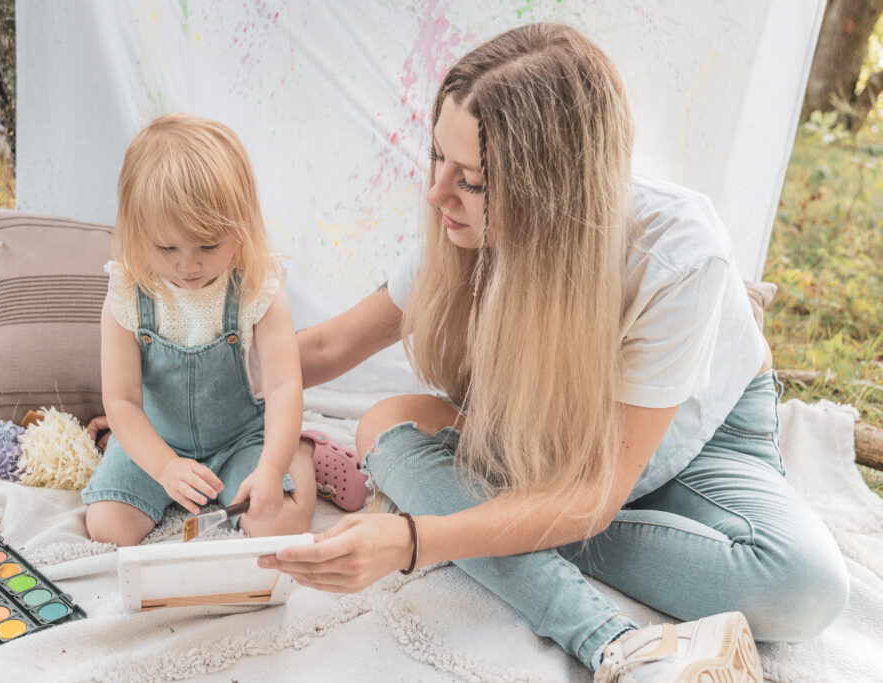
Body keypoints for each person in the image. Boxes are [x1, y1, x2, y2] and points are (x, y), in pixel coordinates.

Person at [256, 23, 850, 681]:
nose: (437, 193)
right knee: (384, 423)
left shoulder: (679, 254)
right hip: (557, 448)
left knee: (804, 586)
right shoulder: (461, 230)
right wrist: (152, 390)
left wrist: (421, 536)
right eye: (437, 158)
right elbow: (330, 344)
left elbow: (596, 492)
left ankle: (489, 525)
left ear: (551, 183)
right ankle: (616, 644)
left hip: (702, 443)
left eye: (472, 179)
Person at [82, 114, 324, 546]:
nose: (188, 265)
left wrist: (270, 469)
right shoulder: (127, 293)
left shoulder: (256, 286)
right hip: (155, 438)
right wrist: (164, 467)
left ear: (241, 227)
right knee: (108, 527)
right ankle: (170, 478)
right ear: (139, 232)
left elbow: (285, 385)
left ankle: (299, 455)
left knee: (277, 525)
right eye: (167, 247)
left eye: (209, 245)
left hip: (239, 439)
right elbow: (120, 400)